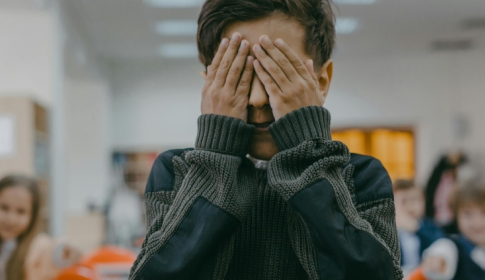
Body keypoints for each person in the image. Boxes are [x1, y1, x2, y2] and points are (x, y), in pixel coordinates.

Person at [129, 0, 401, 279]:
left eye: (278, 73)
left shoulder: (362, 177)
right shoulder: (176, 172)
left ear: (321, 82)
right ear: (210, 86)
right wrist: (216, 156)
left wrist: (307, 150)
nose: (258, 99)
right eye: (239, 76)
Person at [0, 175, 77, 280]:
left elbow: (58, 252)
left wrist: (63, 251)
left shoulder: (40, 248)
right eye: (4, 208)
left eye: (21, 212)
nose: (11, 219)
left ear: (33, 216)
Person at [394, 180, 444, 273]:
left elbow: (441, 244)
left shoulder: (429, 226)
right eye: (403, 201)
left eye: (415, 200)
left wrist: (417, 228)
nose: (410, 206)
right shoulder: (387, 229)